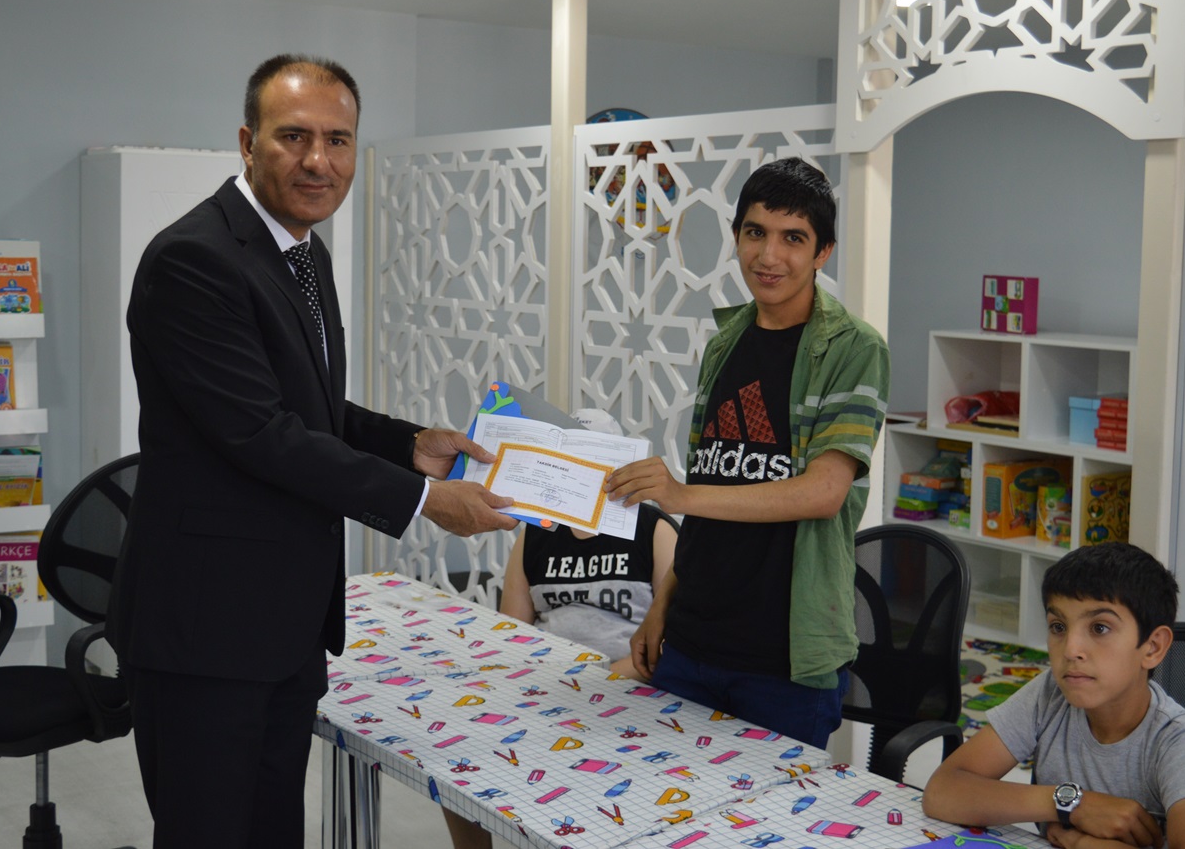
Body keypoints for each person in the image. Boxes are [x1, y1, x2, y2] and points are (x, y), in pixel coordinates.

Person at [106, 54, 518, 849]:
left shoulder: (302, 251)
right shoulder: (195, 259)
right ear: (247, 142)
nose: (318, 161)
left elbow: (308, 408)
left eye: (338, 140)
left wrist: (409, 446)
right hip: (207, 632)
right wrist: (426, 501)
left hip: (284, 625)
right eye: (293, 136)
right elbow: (263, 434)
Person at [605, 156, 890, 749]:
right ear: (736, 236)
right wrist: (662, 605)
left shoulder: (854, 349)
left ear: (823, 252)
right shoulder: (727, 340)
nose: (769, 256)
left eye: (793, 238)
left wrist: (679, 495)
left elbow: (824, 491)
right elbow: (716, 490)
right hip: (690, 642)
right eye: (755, 232)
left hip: (783, 661)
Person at [443, 410, 679, 849]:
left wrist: (599, 681)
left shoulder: (653, 529)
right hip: (551, 686)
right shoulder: (536, 535)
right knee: (458, 746)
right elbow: (512, 633)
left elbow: (669, 640)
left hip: (629, 688)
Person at [922, 542, 1185, 849]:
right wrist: (1073, 803)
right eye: (1058, 626)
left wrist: (1082, 843)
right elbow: (942, 791)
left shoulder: (1182, 744)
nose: (1070, 649)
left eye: (1100, 628)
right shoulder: (1051, 695)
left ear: (1153, 647)